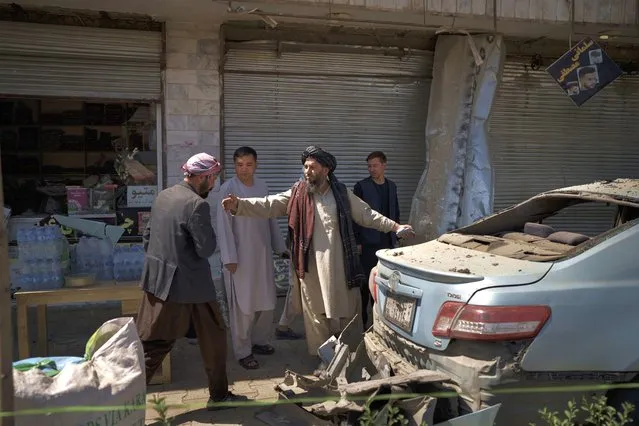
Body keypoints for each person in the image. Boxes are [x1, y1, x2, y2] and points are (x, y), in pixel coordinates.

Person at [221, 146, 414, 359]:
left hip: (341, 266)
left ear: (326, 169)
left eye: (312, 167)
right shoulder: (298, 192)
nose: (307, 171)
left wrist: (395, 227)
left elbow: (367, 215)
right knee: (315, 315)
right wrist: (239, 205)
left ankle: (350, 354)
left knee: (347, 311)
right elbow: (269, 204)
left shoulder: (341, 193)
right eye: (305, 166)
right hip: (310, 267)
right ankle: (323, 357)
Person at [136, 152, 243, 410]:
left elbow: (147, 237)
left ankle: (219, 395)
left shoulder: (164, 195)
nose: (215, 183)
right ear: (203, 177)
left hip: (159, 280)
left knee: (212, 335)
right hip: (188, 285)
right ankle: (120, 401)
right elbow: (205, 249)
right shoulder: (197, 204)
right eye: (213, 177)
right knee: (156, 346)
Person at [216, 146, 288, 370]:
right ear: (234, 165)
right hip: (239, 258)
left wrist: (279, 246)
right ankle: (243, 351)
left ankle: (260, 341)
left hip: (262, 253)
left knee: (266, 302)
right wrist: (229, 257)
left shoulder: (262, 186)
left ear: (256, 165)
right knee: (243, 307)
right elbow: (223, 226)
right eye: (239, 165)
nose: (244, 169)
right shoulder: (227, 189)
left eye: (248, 164)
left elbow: (270, 218)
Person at [354, 151, 400, 328]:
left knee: (385, 282)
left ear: (384, 165)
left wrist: (397, 234)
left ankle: (380, 322)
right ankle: (364, 323)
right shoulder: (361, 187)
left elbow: (395, 212)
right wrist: (357, 241)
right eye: (369, 166)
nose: (371, 169)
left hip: (387, 243)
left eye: (375, 165)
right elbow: (355, 217)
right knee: (366, 284)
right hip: (367, 243)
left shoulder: (392, 186)